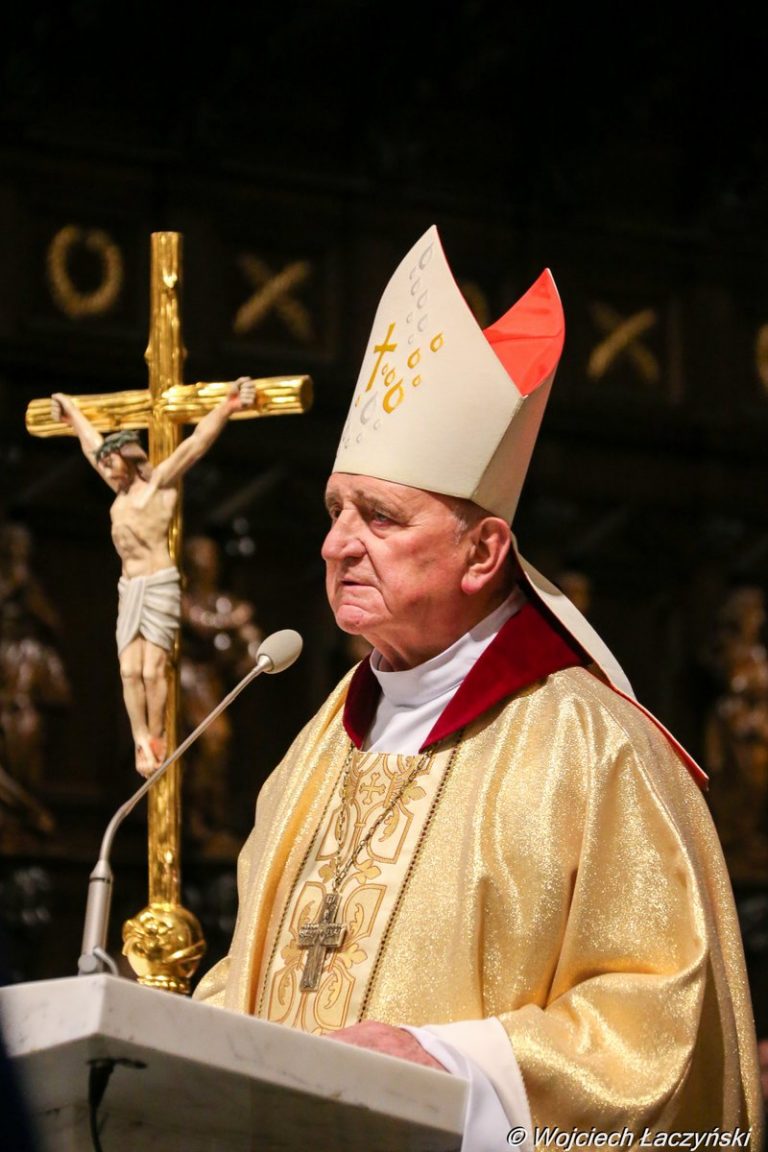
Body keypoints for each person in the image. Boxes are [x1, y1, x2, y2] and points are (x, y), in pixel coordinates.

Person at [192, 227, 763, 1147]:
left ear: (484, 551)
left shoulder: (596, 751)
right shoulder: (317, 745)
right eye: (335, 511)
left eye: (380, 518)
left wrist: (454, 1066)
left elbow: (664, 1032)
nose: (338, 545)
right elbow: (250, 980)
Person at [50, 379, 255, 776]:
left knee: (151, 670)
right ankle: (141, 737)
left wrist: (227, 406)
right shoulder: (120, 493)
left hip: (158, 583)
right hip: (130, 587)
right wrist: (73, 414)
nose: (107, 467)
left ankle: (157, 734)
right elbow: (92, 447)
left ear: (129, 459)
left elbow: (196, 444)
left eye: (113, 461)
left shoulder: (159, 485)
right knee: (129, 671)